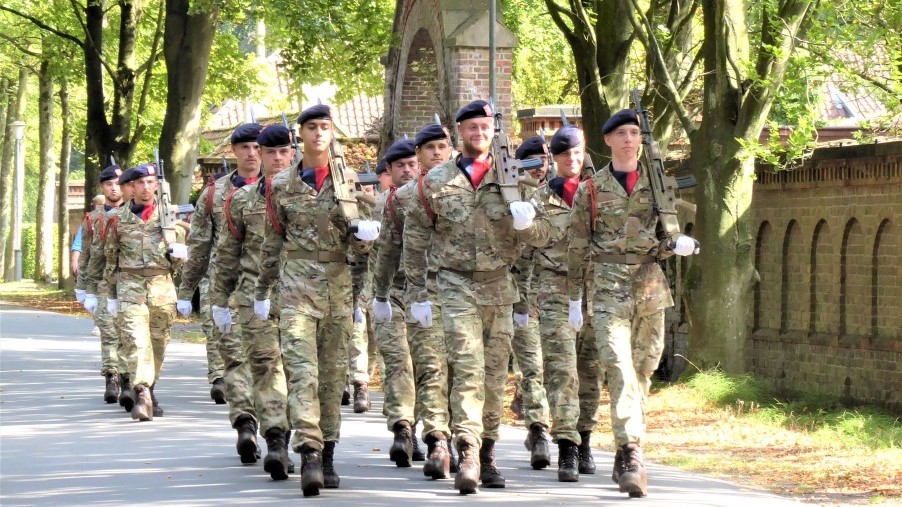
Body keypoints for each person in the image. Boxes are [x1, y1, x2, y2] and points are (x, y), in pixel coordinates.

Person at [401, 100, 552, 494]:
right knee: (467, 366)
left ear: (493, 131)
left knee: (494, 373)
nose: (479, 133)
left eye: (485, 127)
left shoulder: (514, 180)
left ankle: (487, 450)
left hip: (499, 286)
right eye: (472, 127)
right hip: (455, 284)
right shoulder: (436, 181)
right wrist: (417, 294)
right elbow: (414, 241)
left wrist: (528, 224)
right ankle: (467, 450)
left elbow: (545, 236)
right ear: (460, 132)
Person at [567, 109, 699, 497]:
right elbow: (577, 246)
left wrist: (677, 244)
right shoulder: (591, 190)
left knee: (643, 370)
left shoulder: (658, 184)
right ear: (607, 140)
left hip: (650, 286)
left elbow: (667, 235)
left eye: (634, 133)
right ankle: (630, 452)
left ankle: (628, 442)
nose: (629, 139)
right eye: (621, 133)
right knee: (619, 369)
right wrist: (575, 297)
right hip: (608, 286)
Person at [255, 104, 380, 497]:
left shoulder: (348, 181)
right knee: (302, 374)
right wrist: (262, 290)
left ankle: (327, 452)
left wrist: (365, 239)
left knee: (331, 377)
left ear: (332, 133)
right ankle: (309, 451)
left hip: (337, 291)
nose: (319, 133)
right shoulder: (280, 184)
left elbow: (359, 247)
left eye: (325, 126)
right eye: (312, 127)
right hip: (296, 291)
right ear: (300, 134)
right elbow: (273, 240)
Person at [212, 124, 296, 480]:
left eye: (283, 151)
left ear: (293, 153)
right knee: (265, 366)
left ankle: (298, 439)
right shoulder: (241, 200)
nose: (277, 158)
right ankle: (275, 438)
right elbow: (226, 254)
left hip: (303, 296)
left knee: (298, 371)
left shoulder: (312, 196)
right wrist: (218, 300)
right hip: (252, 296)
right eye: (269, 152)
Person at [372, 123, 455, 479]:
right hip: (404, 290)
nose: (407, 169)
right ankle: (409, 429)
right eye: (401, 164)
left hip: (451, 290)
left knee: (444, 367)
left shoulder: (462, 190)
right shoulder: (395, 200)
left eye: (442, 147)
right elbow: (385, 252)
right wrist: (378, 295)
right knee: (406, 363)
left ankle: (446, 436)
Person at [177, 123, 264, 462]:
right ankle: (245, 423)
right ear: (235, 151)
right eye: (245, 147)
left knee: (273, 362)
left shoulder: (283, 189)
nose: (252, 153)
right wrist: (187, 290)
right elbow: (199, 245)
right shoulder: (215, 193)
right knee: (237, 357)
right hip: (227, 287)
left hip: (277, 289)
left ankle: (275, 429)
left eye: (257, 147)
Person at [523, 128, 603, 482]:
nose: (572, 159)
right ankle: (567, 445)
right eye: (565, 154)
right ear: (554, 158)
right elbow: (528, 248)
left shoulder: (599, 194)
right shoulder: (540, 199)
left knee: (591, 370)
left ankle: (585, 438)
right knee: (562, 370)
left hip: (594, 291)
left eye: (577, 153)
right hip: (554, 291)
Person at [102, 163, 189, 421]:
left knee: (158, 343)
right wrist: (111, 294)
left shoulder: (169, 215)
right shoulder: (116, 219)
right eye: (139, 183)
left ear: (157, 186)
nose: (145, 187)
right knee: (136, 342)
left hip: (162, 287)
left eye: (150, 182)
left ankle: (150, 387)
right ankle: (142, 393)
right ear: (131, 187)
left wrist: (180, 255)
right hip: (130, 287)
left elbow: (180, 259)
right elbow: (111, 258)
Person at [509, 136, 553, 471]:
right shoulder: (512, 196)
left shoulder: (557, 195)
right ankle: (539, 430)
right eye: (532, 160)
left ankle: (535, 417)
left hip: (554, 293)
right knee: (532, 364)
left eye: (544, 160)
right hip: (516, 294)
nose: (540, 167)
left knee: (550, 366)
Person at [75, 165, 125, 403]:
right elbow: (86, 253)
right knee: (109, 331)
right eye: (109, 184)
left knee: (129, 333)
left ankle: (129, 378)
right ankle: (112, 376)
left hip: (131, 282)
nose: (114, 188)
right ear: (102, 188)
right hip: (104, 282)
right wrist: (83, 288)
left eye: (118, 183)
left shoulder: (134, 215)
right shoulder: (93, 219)